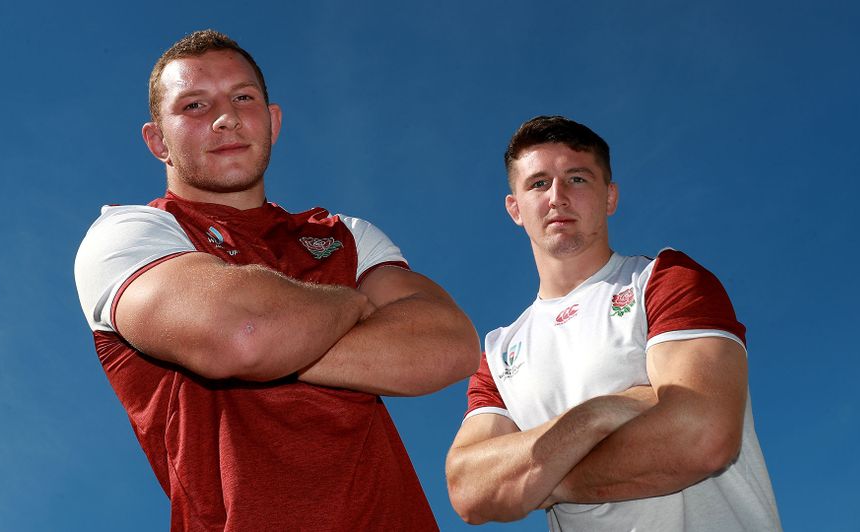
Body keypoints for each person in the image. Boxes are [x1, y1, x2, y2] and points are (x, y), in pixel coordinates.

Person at [74, 29, 480, 531]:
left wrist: (281, 337)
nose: (226, 117)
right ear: (158, 140)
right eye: (195, 106)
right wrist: (354, 306)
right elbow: (243, 335)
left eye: (243, 97)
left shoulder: (346, 236)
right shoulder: (129, 235)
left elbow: (451, 345)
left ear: (273, 120)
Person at [445, 116, 781, 531]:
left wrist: (545, 482)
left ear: (609, 196)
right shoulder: (499, 353)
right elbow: (469, 490)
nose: (557, 197)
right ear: (515, 207)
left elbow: (703, 436)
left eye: (578, 179)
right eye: (537, 183)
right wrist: (598, 414)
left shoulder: (663, 279)